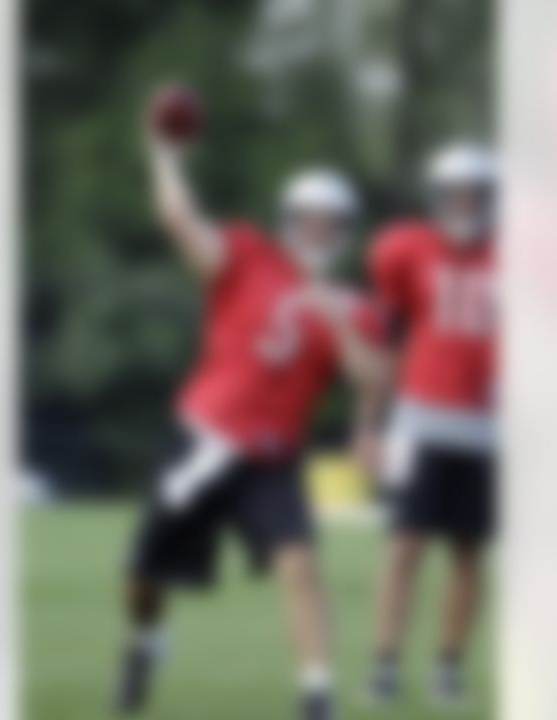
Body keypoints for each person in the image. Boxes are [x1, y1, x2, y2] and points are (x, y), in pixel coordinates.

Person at [113, 88, 387, 720]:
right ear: (288, 219)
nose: (317, 230)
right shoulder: (248, 254)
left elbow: (371, 377)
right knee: (143, 574)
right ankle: (145, 641)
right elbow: (179, 220)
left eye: (330, 222)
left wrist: (332, 315)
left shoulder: (356, 306)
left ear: (345, 231)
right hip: (204, 442)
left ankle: (316, 695)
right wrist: (164, 154)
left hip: (272, 458)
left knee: (300, 565)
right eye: (308, 218)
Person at [361, 142, 498, 707]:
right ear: (437, 196)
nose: (463, 204)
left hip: (488, 426)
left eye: (473, 194)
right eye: (453, 194)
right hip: (419, 418)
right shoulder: (406, 248)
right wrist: (371, 423)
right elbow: (388, 341)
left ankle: (448, 666)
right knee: (404, 544)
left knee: (469, 551)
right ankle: (385, 666)